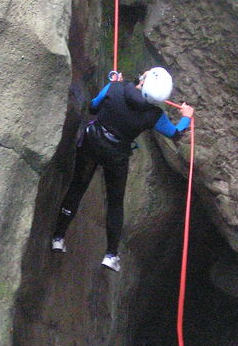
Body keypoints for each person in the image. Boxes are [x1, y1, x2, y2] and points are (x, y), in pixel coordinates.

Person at [51, 67, 194, 272]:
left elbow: (92, 107)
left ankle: (58, 237)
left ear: (144, 80)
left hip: (92, 143)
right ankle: (110, 255)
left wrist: (112, 87)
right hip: (116, 155)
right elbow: (175, 133)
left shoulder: (115, 87)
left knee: (77, 187)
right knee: (115, 204)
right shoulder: (154, 115)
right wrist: (186, 116)